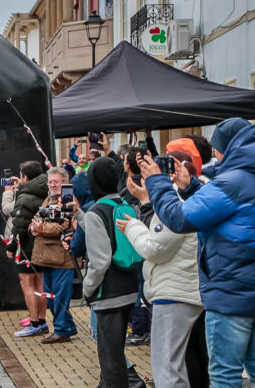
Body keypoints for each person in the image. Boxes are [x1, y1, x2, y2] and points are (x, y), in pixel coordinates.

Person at [147, 117, 255, 387]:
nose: (213, 154)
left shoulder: (232, 181)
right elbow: (228, 210)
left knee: (224, 376)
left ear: (228, 147)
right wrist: (192, 186)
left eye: (217, 148)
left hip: (230, 294)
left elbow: (179, 218)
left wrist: (157, 182)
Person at [119, 161, 204, 388]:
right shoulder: (182, 201)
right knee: (182, 362)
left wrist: (132, 228)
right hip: (182, 291)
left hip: (175, 293)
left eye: (147, 174)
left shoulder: (174, 205)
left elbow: (156, 249)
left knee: (167, 365)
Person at [80, 156, 141, 386]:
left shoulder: (96, 212)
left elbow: (100, 261)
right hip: (129, 288)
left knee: (110, 358)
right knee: (116, 352)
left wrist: (88, 289)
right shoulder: (127, 206)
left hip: (108, 295)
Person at [28, 167, 77, 344]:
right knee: (50, 296)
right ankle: (68, 327)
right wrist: (33, 227)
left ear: (65, 181)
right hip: (47, 256)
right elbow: (37, 217)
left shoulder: (67, 198)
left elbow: (66, 224)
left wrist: (42, 229)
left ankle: (62, 330)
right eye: (50, 182)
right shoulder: (50, 197)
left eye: (56, 181)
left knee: (59, 296)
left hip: (61, 257)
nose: (52, 185)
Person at [10, 160, 49, 336]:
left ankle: (34, 322)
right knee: (40, 282)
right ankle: (42, 320)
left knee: (27, 283)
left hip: (27, 245)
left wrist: (11, 247)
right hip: (43, 245)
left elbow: (18, 226)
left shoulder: (25, 197)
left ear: (25, 177)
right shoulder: (45, 190)